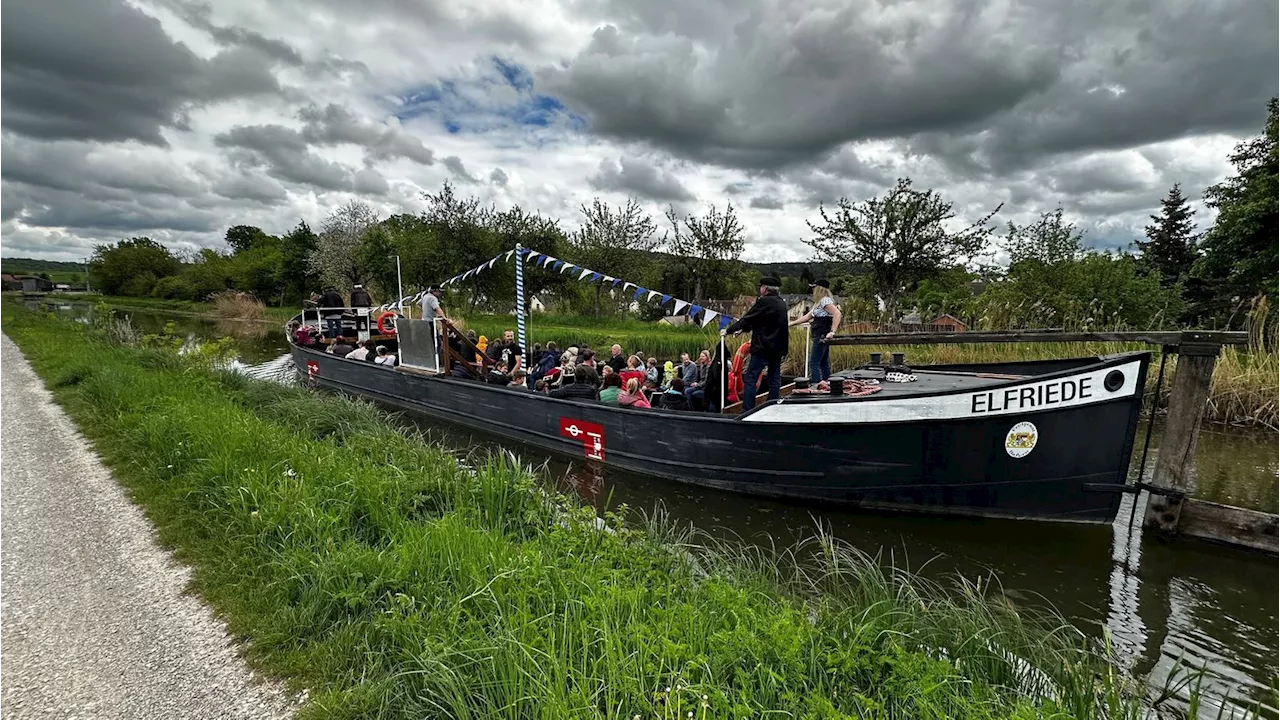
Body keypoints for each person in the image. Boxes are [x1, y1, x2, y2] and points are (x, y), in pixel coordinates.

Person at [724, 275, 789, 411]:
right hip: (778, 348)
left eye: (761, 286)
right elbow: (761, 321)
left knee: (750, 378)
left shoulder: (764, 302)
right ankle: (773, 406)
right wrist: (743, 330)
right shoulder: (781, 303)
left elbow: (748, 318)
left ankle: (748, 409)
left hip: (763, 347)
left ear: (765, 288)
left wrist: (729, 330)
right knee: (774, 378)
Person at [789, 279, 842, 382]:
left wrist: (833, 331)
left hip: (821, 334)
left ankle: (816, 385)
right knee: (823, 362)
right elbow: (808, 316)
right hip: (819, 333)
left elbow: (837, 313)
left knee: (814, 363)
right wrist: (791, 323)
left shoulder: (824, 301)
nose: (812, 290)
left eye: (814, 288)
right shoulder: (818, 303)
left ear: (819, 289)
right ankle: (827, 383)